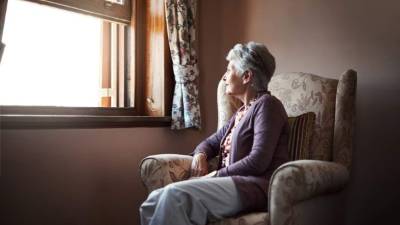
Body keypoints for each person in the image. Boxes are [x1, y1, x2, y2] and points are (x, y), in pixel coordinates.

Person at [140, 42, 289, 225]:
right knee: (152, 201)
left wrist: (216, 175)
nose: (225, 77)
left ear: (247, 76)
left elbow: (258, 161)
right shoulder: (241, 113)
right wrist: (201, 155)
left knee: (174, 195)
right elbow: (210, 142)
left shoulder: (268, 106)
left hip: (255, 187)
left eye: (229, 70)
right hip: (232, 183)